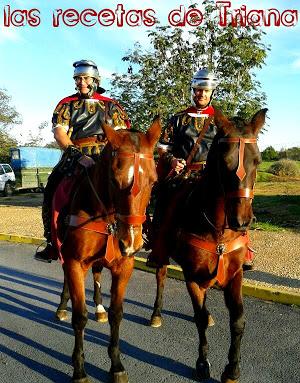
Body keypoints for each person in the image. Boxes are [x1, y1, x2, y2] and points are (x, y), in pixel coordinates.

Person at [147, 67, 254, 270]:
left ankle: (245, 247)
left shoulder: (222, 122)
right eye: (197, 90)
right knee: (167, 200)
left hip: (214, 176)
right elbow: (162, 147)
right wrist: (171, 160)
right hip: (185, 173)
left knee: (237, 200)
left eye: (205, 91)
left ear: (211, 93)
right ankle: (159, 247)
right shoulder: (178, 119)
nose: (201, 94)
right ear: (192, 91)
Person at [35, 60, 130, 262]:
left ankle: (131, 235)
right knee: (52, 187)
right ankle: (51, 241)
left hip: (106, 157)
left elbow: (122, 135)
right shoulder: (66, 104)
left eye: (85, 78)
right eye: (77, 79)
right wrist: (77, 155)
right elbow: (60, 133)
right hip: (75, 155)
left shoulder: (112, 106)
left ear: (96, 80)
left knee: (130, 186)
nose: (81, 82)